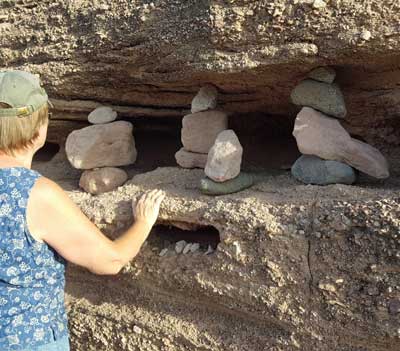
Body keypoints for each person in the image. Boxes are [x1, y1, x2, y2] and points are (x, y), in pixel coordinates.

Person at [0, 70, 165, 351]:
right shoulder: (35, 195)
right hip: (27, 340)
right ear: (40, 128)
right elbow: (109, 261)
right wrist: (144, 222)